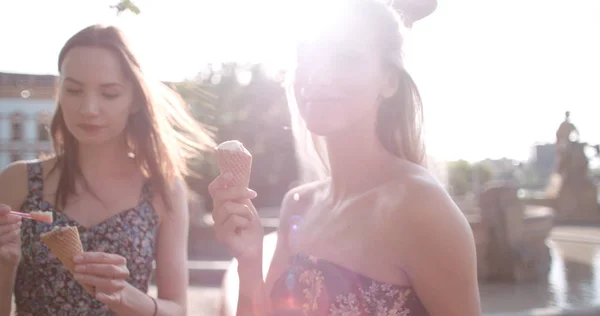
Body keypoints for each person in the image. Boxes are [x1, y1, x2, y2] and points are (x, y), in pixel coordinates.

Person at [209, 0, 480, 315]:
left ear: (389, 81)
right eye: (307, 56)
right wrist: (249, 260)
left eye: (345, 58)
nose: (318, 76)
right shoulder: (298, 204)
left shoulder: (421, 208)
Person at [0, 24, 214, 316]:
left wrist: (127, 298)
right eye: (74, 90)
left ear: (136, 99)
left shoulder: (163, 190)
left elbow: (177, 309)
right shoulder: (17, 181)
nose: (88, 108)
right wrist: (5, 264)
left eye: (110, 93)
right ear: (59, 92)